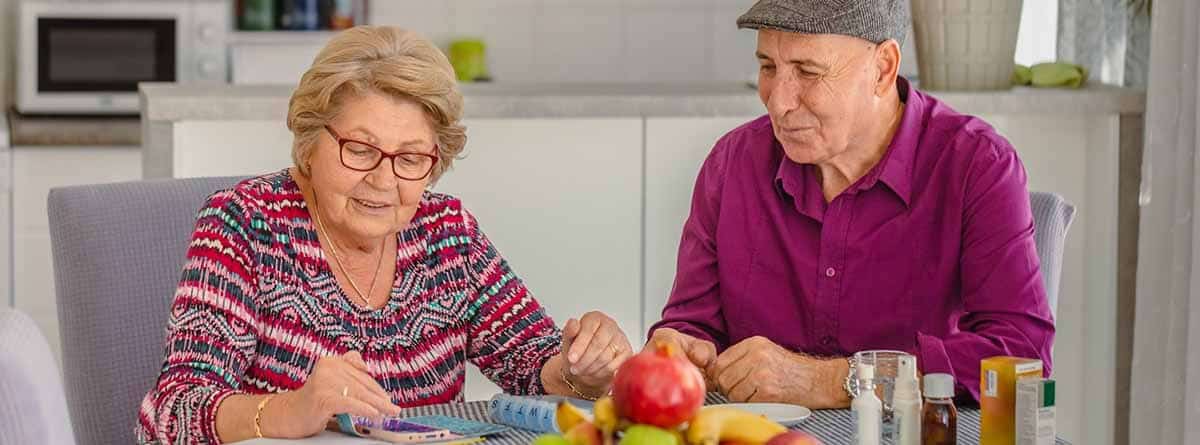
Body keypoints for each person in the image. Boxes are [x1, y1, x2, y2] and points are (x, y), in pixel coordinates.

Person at [136, 26, 632, 444]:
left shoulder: (446, 233)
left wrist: (578, 370)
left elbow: (532, 365)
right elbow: (171, 413)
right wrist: (288, 411)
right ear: (310, 143)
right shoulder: (246, 224)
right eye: (360, 149)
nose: (384, 180)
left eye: (411, 158)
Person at [648, 0, 1054, 408]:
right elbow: (692, 327)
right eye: (768, 67)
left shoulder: (977, 166)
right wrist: (677, 348)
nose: (778, 102)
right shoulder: (732, 163)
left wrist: (833, 381)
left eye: (808, 71)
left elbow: (1022, 359)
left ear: (882, 69)